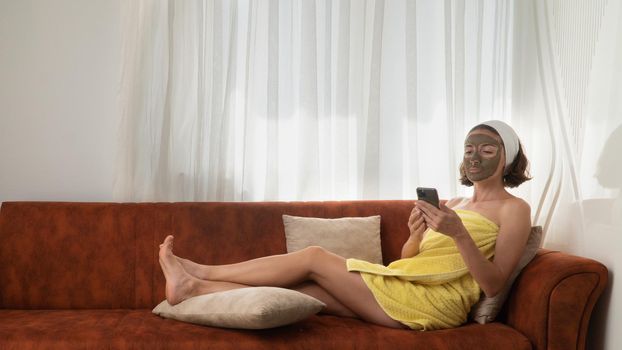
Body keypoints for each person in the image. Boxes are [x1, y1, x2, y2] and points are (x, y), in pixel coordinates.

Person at [158, 120, 532, 330]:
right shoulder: (454, 203)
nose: (474, 156)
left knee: (315, 257)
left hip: (433, 305)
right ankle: (193, 287)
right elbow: (410, 258)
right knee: (304, 291)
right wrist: (417, 234)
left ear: (507, 159)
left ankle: (200, 269)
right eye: (469, 148)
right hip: (403, 283)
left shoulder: (514, 209)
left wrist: (459, 233)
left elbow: (494, 282)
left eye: (487, 149)